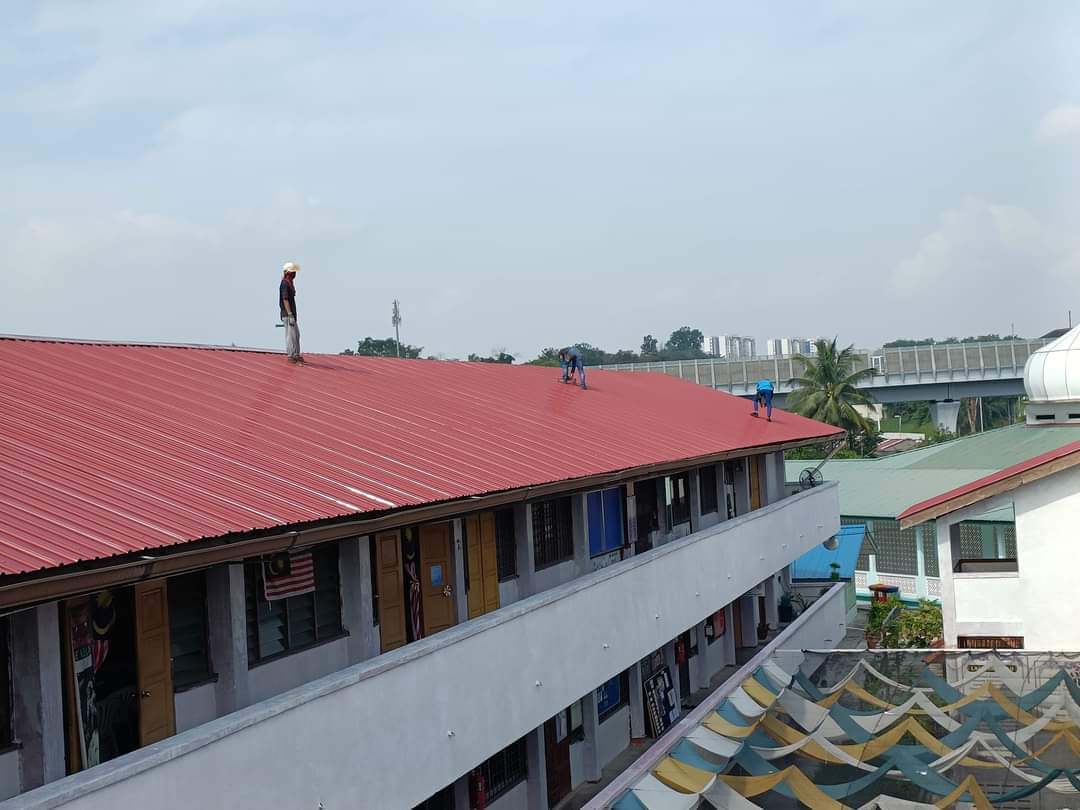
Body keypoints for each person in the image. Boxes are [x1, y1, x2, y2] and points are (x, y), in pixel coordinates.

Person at [279, 262, 302, 364]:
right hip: (288, 314)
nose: (295, 274)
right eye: (293, 272)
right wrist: (289, 314)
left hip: (292, 314)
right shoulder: (284, 283)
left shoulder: (289, 283)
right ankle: (291, 356)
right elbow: (285, 299)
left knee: (296, 334)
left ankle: (296, 354)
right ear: (289, 273)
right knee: (290, 335)